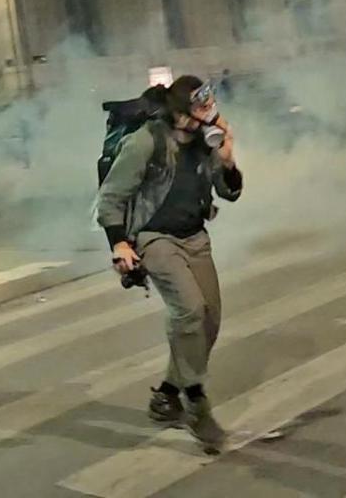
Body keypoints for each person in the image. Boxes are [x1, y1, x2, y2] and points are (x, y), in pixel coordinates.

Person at [95, 76, 243, 451]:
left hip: (195, 237)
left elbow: (230, 192)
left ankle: (166, 395)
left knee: (209, 322)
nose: (205, 117)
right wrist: (120, 245)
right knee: (189, 311)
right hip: (154, 237)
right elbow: (110, 198)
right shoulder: (147, 141)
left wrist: (228, 159)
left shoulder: (204, 141)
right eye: (197, 111)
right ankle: (195, 399)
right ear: (179, 115)